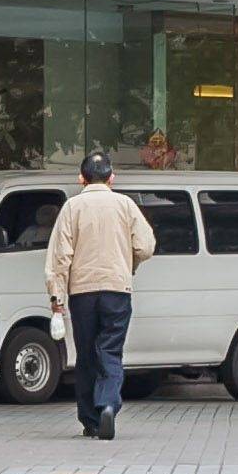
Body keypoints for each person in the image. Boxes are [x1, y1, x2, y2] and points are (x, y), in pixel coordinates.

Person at [45, 151, 156, 441]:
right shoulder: (125, 205)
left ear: (81, 178)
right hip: (117, 290)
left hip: (82, 293)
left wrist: (57, 302)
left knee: (86, 355)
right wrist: (128, 262)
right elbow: (146, 245)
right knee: (110, 350)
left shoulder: (72, 208)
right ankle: (107, 404)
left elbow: (60, 259)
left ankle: (91, 421)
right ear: (112, 178)